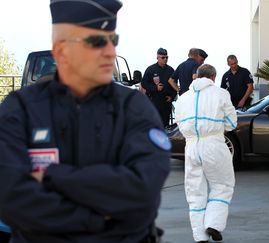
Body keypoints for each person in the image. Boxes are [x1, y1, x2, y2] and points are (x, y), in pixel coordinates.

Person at [0, 1, 171, 242]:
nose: (110, 51)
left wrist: (52, 176)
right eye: (97, 41)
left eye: (113, 40)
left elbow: (142, 192)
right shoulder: (21, 110)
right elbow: (12, 201)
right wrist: (98, 221)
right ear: (60, 50)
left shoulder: (134, 109)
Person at [175, 64, 237, 243]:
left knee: (195, 192)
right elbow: (232, 123)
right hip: (214, 144)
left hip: (192, 146)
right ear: (213, 77)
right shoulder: (221, 94)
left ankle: (199, 236)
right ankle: (214, 224)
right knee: (222, 185)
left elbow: (180, 124)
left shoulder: (183, 99)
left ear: (196, 76)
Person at [142, 48, 176, 127]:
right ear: (157, 57)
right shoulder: (151, 69)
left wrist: (172, 96)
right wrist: (155, 88)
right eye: (163, 58)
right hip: (154, 101)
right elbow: (144, 83)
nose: (165, 59)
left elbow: (174, 85)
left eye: (167, 57)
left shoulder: (170, 70)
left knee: (165, 125)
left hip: (166, 102)